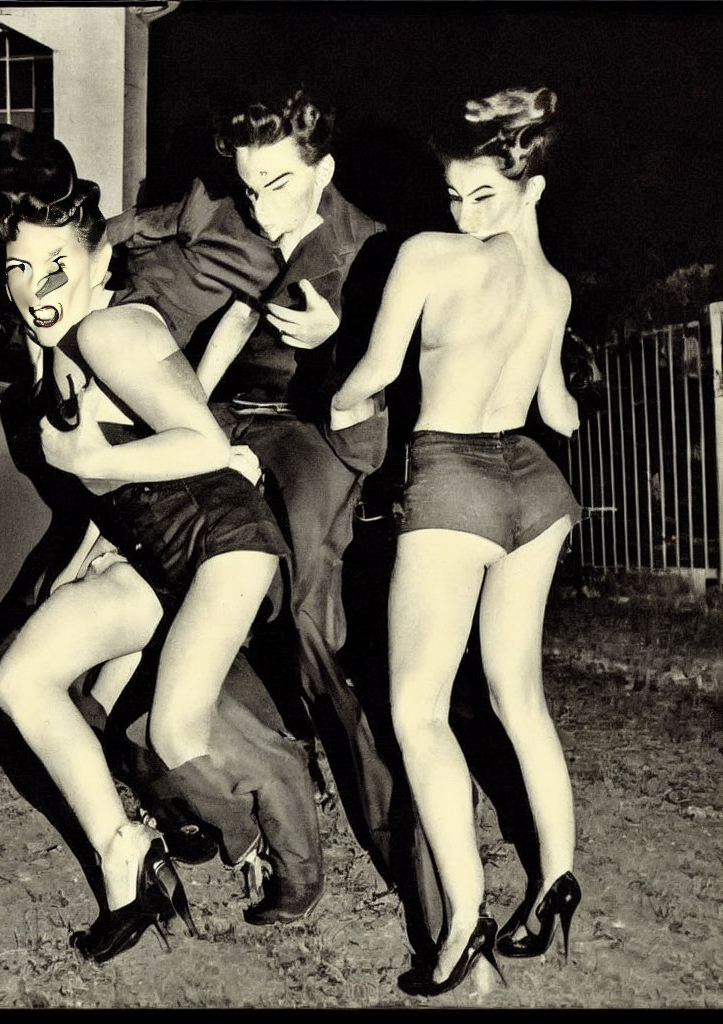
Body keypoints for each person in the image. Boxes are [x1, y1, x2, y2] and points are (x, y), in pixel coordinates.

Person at [0, 133, 292, 961]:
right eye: (16, 267)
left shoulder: (111, 330)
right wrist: (86, 549)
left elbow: (195, 440)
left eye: (52, 262)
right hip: (148, 554)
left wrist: (95, 460)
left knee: (137, 717)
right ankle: (132, 854)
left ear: (94, 262)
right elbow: (117, 488)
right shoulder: (59, 352)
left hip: (200, 549)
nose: (31, 286)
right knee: (23, 682)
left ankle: (230, 835)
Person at [108, 83, 398, 882]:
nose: (263, 207)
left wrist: (342, 340)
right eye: (249, 185)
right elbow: (148, 227)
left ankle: (389, 824)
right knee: (175, 571)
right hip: (233, 419)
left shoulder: (371, 248)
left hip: (315, 430)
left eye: (280, 184)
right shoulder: (224, 209)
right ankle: (218, 775)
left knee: (309, 611)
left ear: (323, 168)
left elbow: (397, 379)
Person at [331, 86, 583, 996]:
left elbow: (375, 372)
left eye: (487, 195)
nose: (466, 212)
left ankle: (463, 924)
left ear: (528, 187)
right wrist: (528, 246)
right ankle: (556, 879)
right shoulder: (549, 286)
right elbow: (560, 412)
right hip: (537, 493)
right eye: (456, 196)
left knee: (418, 714)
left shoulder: (428, 255)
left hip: (453, 482)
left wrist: (336, 399)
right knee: (519, 695)